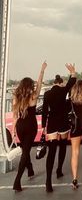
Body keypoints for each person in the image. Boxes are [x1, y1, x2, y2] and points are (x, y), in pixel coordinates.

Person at [12, 61, 47, 191]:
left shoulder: (16, 96)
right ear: (30, 86)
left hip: (20, 126)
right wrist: (42, 70)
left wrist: (13, 130)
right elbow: (39, 83)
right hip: (31, 126)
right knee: (25, 151)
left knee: (25, 149)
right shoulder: (33, 96)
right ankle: (17, 181)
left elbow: (15, 115)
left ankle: (30, 169)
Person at [42, 64, 76, 192]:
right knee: (62, 147)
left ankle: (48, 181)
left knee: (51, 152)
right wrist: (72, 71)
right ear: (61, 83)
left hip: (51, 124)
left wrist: (43, 126)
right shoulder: (63, 91)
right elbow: (72, 82)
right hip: (63, 123)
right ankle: (59, 170)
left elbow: (45, 111)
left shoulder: (47, 94)